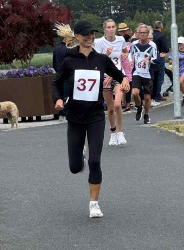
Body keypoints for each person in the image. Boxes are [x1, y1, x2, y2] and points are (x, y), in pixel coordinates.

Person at [51, 20, 132, 218]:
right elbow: (56, 83)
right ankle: (80, 157)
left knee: (95, 161)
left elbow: (119, 74)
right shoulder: (69, 60)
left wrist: (125, 80)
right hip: (75, 116)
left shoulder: (101, 60)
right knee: (75, 167)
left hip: (96, 115)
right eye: (86, 34)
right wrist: (59, 99)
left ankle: (94, 203)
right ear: (76, 37)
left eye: (92, 34)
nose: (90, 37)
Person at [94, 19, 129, 146]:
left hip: (118, 75)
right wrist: (106, 54)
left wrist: (125, 56)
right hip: (106, 77)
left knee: (118, 105)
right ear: (104, 29)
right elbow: (96, 62)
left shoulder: (121, 40)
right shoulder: (100, 42)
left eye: (113, 27)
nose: (111, 29)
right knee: (110, 108)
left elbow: (125, 52)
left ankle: (120, 132)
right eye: (108, 27)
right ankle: (113, 132)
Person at [130, 24, 160, 124]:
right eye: (140, 33)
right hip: (137, 72)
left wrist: (149, 58)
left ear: (148, 34)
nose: (142, 34)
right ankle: (139, 107)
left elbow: (157, 59)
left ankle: (146, 114)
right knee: (135, 93)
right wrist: (130, 61)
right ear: (138, 34)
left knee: (147, 97)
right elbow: (130, 54)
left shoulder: (152, 45)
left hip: (148, 73)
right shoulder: (134, 44)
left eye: (144, 33)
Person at [53, 32, 74, 121]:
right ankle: (65, 113)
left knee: (60, 94)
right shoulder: (68, 49)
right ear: (65, 38)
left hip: (58, 75)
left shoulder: (56, 49)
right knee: (67, 94)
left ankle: (61, 114)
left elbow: (54, 63)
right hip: (67, 75)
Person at [152, 21, 170, 103]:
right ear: (161, 27)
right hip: (160, 56)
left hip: (152, 57)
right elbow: (164, 48)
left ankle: (153, 94)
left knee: (153, 77)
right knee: (160, 77)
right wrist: (168, 50)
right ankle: (157, 94)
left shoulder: (151, 35)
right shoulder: (161, 36)